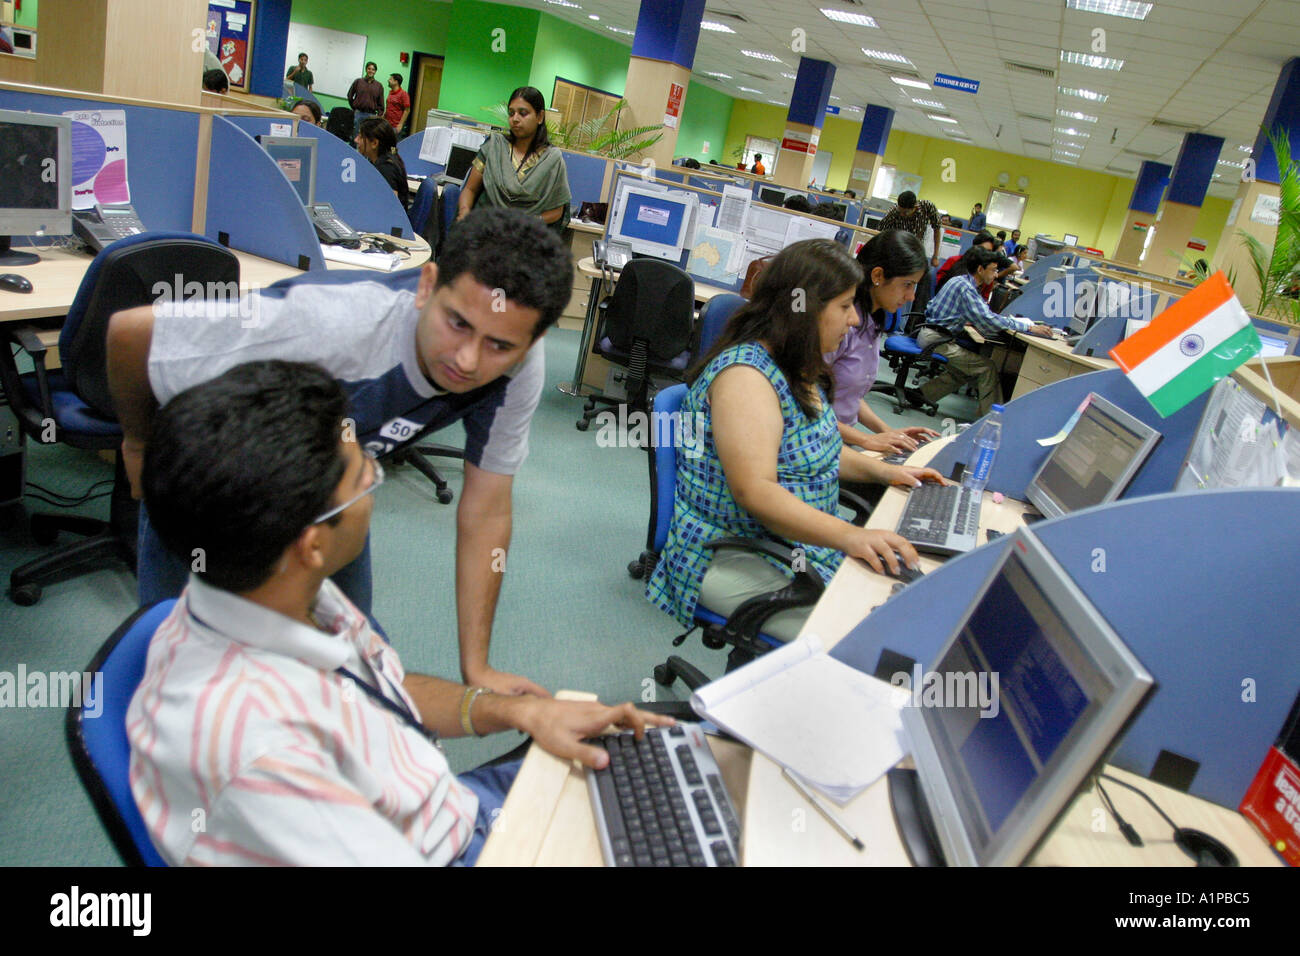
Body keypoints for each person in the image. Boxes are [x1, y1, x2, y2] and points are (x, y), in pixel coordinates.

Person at [126, 360, 671, 866]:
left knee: (662, 774)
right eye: (362, 473)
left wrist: (511, 712)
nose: (373, 473)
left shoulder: (276, 588)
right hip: (449, 850)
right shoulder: (261, 758)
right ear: (312, 544)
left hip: (449, 808)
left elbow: (376, 690)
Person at [106, 207, 572, 698]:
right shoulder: (328, 326)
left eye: (499, 345)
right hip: (216, 486)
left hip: (335, 486)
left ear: (532, 340)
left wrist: (477, 668)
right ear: (426, 284)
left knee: (359, 658)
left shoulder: (518, 361)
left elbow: (487, 511)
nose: (468, 360)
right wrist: (136, 442)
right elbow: (130, 334)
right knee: (189, 667)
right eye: (456, 323)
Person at [646, 240, 945, 642]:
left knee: (900, 602)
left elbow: (817, 453)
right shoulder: (746, 377)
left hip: (787, 545)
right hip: (730, 551)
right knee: (867, 637)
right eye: (843, 306)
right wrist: (852, 536)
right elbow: (756, 492)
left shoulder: (795, 367)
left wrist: (888, 473)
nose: (855, 319)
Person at [828, 230, 940, 455]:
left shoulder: (873, 319)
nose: (911, 297)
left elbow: (848, 398)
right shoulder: (840, 323)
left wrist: (890, 432)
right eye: (907, 285)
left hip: (840, 443)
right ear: (878, 276)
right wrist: (866, 441)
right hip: (816, 445)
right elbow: (804, 407)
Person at [906, 247, 1053, 418]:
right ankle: (992, 419)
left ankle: (921, 395)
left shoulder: (958, 280)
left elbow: (932, 306)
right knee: (987, 368)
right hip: (937, 340)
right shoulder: (967, 288)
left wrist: (960, 317)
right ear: (980, 270)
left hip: (929, 333)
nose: (996, 274)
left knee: (964, 371)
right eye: (993, 270)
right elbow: (989, 320)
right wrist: (1028, 327)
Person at [458, 86, 570, 237]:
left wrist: (526, 221)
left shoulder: (552, 159)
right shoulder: (494, 146)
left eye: (523, 113)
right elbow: (470, 189)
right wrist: (464, 213)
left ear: (540, 117)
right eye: (511, 113)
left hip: (525, 237)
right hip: (486, 230)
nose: (515, 119)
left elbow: (557, 211)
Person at [879, 189, 942, 315]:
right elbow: (881, 232)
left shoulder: (926, 207)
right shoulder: (893, 212)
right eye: (900, 211)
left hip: (916, 254)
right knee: (893, 289)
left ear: (915, 206)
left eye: (905, 212)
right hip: (898, 254)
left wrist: (935, 255)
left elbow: (937, 228)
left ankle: (901, 326)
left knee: (909, 291)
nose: (902, 214)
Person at [355, 116, 409, 207]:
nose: (355, 140)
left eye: (360, 137)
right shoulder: (384, 159)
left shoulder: (386, 167)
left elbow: (390, 207)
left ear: (374, 143)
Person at [347, 61, 384, 136]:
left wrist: (377, 116)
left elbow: (381, 104)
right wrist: (354, 108)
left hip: (371, 115)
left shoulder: (379, 86)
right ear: (366, 70)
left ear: (375, 71)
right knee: (356, 136)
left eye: (373, 69)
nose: (371, 71)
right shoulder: (358, 82)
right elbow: (350, 95)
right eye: (369, 69)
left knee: (368, 137)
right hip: (358, 113)